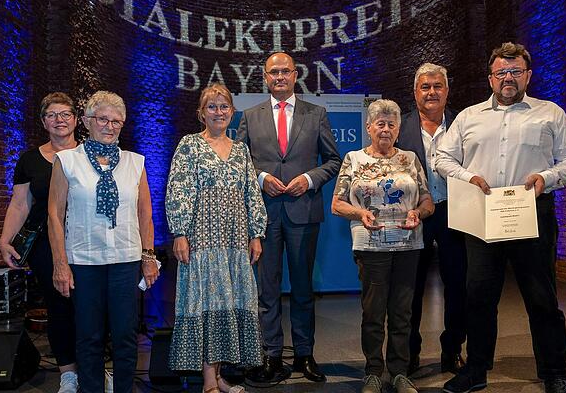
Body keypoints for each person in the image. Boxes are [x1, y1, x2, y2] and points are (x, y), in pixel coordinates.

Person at [436, 43, 566, 393]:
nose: (508, 78)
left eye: (515, 72)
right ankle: (476, 370)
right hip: (482, 213)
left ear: (527, 76)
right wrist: (467, 177)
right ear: (491, 78)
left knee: (542, 297)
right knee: (479, 297)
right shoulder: (469, 117)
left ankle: (553, 372)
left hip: (532, 212)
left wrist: (545, 178)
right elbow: (442, 157)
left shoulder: (549, 113)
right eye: (501, 72)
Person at [237, 52, 341, 383]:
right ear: (264, 77)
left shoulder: (317, 114)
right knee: (267, 290)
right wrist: (261, 178)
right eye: (273, 72)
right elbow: (238, 162)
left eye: (285, 71)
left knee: (301, 288)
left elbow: (334, 161)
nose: (279, 76)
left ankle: (304, 355)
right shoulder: (249, 116)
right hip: (263, 216)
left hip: (303, 212)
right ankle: (270, 356)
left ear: (295, 75)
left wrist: (309, 179)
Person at [47, 91, 160, 393]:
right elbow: (54, 215)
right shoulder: (67, 161)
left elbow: (145, 214)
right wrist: (60, 263)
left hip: (126, 260)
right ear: (87, 121)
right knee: (89, 337)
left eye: (117, 122)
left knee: (125, 336)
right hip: (83, 262)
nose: (110, 127)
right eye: (103, 120)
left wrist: (149, 256)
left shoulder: (135, 163)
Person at [166, 83, 267, 393]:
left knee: (230, 301)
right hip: (202, 238)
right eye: (212, 106)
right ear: (202, 113)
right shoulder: (189, 145)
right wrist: (180, 232)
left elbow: (251, 191)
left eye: (224, 107)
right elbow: (178, 189)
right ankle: (208, 382)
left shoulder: (240, 149)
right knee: (207, 302)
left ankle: (219, 377)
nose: (219, 112)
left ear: (232, 112)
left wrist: (256, 233)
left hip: (235, 240)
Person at [331, 99, 434, 393]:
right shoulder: (353, 159)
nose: (386, 130)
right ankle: (373, 372)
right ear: (369, 128)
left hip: (408, 244)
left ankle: (400, 372)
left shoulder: (411, 159)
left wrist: (418, 213)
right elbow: (337, 204)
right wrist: (360, 213)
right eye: (380, 124)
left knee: (402, 313)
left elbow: (427, 200)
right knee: (373, 313)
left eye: (391, 124)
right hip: (370, 246)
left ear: (398, 129)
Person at [0, 92, 79, 393]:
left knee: (89, 307)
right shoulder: (30, 159)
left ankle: (93, 368)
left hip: (86, 241)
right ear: (44, 121)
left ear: (76, 119)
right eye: (52, 115)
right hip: (46, 244)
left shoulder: (88, 154)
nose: (59, 120)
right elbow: (20, 204)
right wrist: (6, 240)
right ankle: (68, 373)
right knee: (59, 306)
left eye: (65, 114)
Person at [396, 63, 467, 375]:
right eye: (425, 87)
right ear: (415, 93)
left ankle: (452, 351)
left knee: (458, 286)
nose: (432, 92)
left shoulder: (463, 123)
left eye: (438, 86)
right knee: (410, 289)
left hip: (457, 213)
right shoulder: (400, 126)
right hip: (415, 217)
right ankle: (409, 354)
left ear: (447, 91)